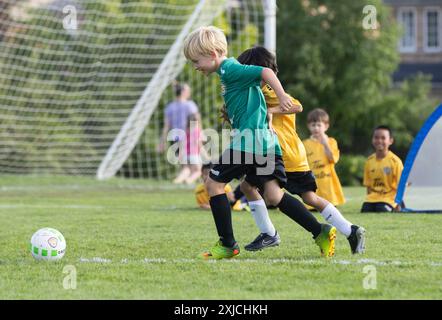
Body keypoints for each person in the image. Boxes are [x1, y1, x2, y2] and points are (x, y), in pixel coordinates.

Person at [183, 26, 336, 259]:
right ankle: (320, 230)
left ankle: (227, 244)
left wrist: (283, 96)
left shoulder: (230, 68)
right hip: (264, 143)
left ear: (213, 54)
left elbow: (265, 72)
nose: (195, 66)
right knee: (274, 196)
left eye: (196, 60)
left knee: (213, 185)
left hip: (249, 143)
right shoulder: (227, 73)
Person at [236, 46, 365, 254]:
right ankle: (350, 230)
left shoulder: (268, 91)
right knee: (250, 188)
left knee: (280, 196)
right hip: (277, 152)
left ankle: (274, 234)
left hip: (286, 154)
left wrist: (272, 111)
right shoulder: (256, 92)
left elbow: (297, 106)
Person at [157, 82, 201, 184]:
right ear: (183, 92)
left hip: (174, 138)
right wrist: (200, 134)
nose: (189, 92)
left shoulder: (169, 107)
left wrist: (162, 142)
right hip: (189, 137)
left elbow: (166, 126)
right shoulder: (190, 105)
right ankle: (186, 181)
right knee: (196, 167)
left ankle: (178, 181)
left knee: (185, 166)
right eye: (188, 90)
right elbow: (197, 121)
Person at [303, 108, 346, 208]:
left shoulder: (331, 141)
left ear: (326, 126)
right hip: (313, 181)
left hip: (328, 182)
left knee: (329, 207)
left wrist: (325, 144)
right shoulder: (305, 144)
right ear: (309, 126)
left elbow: (333, 159)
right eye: (313, 125)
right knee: (313, 204)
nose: (316, 128)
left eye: (319, 125)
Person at [361, 125, 404, 212]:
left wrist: (398, 204)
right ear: (372, 140)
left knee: (381, 209)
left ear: (390, 141)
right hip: (373, 197)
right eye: (376, 137)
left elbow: (401, 186)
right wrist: (368, 198)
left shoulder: (395, 161)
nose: (379, 141)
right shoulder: (369, 161)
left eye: (383, 138)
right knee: (365, 210)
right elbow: (368, 186)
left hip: (389, 198)